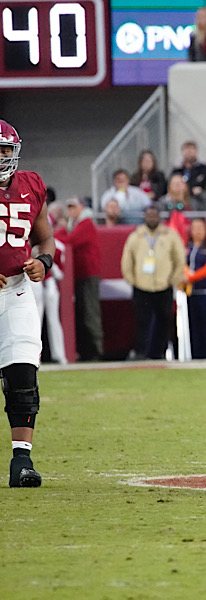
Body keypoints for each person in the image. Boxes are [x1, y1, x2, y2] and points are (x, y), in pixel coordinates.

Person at [0, 119, 57, 487]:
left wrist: (43, 263)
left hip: (17, 291)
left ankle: (22, 461)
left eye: (6, 149)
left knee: (23, 375)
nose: (2, 157)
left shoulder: (31, 186)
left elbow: (45, 240)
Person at [120, 206, 186, 360]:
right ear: (144, 217)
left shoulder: (170, 236)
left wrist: (173, 279)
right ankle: (140, 352)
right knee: (141, 321)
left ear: (159, 217)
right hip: (142, 286)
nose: (151, 218)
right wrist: (134, 281)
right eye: (148, 215)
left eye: (154, 215)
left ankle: (159, 353)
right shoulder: (136, 237)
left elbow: (179, 259)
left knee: (164, 321)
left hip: (164, 285)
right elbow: (127, 261)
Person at [56, 197, 103, 361]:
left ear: (81, 208)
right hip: (81, 274)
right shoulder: (76, 225)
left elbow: (70, 241)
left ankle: (96, 350)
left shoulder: (85, 224)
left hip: (88, 273)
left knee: (90, 312)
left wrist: (56, 235)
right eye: (69, 208)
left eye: (74, 207)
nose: (71, 211)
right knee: (84, 312)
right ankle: (89, 350)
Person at [183, 218, 206, 359]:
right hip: (189, 293)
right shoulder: (186, 247)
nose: (197, 232)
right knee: (192, 325)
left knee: (205, 324)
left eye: (200, 228)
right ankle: (193, 354)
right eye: (195, 228)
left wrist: (190, 277)